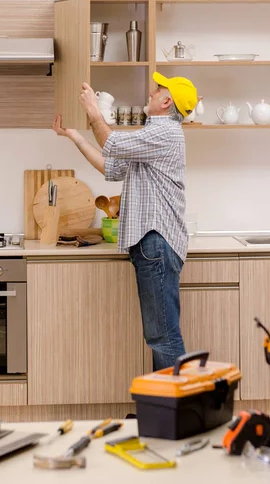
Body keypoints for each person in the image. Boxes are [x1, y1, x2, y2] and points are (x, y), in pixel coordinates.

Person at [52, 71, 197, 370]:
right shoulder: (153, 137)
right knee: (161, 336)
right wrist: (75, 135)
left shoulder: (164, 133)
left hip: (156, 242)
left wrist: (93, 110)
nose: (150, 95)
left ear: (166, 101)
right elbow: (112, 166)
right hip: (153, 245)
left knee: (163, 337)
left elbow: (112, 145)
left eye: (156, 91)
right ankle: (166, 410)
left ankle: (177, 414)